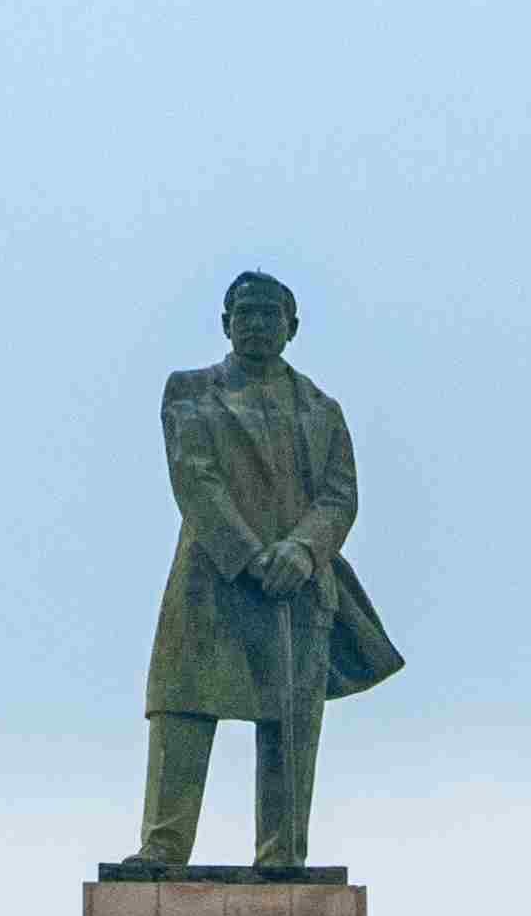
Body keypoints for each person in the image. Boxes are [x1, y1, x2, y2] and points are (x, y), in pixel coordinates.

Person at [136, 271, 405, 877]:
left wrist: (304, 552)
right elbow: (193, 477)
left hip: (298, 588)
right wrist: (252, 554)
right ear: (225, 323)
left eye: (269, 313)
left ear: (292, 327)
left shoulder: (321, 409)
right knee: (181, 708)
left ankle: (282, 854)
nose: (257, 323)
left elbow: (340, 495)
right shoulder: (190, 393)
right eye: (245, 312)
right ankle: (162, 846)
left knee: (290, 724)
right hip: (214, 576)